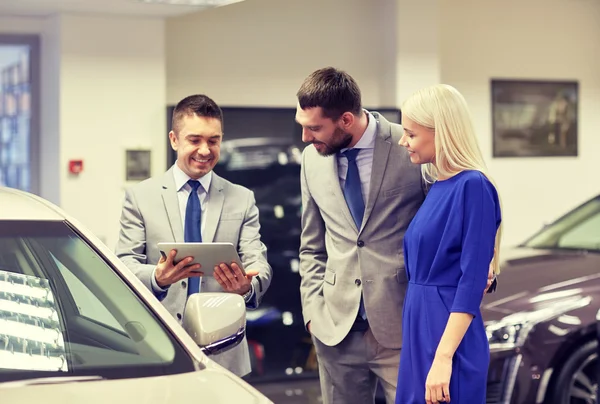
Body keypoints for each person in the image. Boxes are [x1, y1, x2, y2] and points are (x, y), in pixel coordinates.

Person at [115, 94, 272, 377]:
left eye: (213, 140)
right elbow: (124, 262)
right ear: (174, 140)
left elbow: (258, 263)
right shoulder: (140, 197)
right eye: (195, 140)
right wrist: (157, 278)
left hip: (225, 352)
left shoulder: (242, 198)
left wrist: (246, 286)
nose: (205, 150)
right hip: (160, 348)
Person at [395, 84, 502, 404]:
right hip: (420, 327)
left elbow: (471, 281)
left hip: (447, 336)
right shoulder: (439, 186)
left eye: (410, 134)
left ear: (440, 132)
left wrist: (443, 358)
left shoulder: (473, 186)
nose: (403, 141)